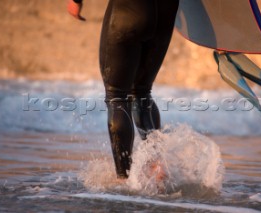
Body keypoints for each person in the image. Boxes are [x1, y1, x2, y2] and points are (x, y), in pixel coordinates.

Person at [67, 0, 179, 179]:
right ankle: (156, 165)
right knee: (142, 92)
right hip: (165, 14)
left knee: (116, 96)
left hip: (129, 10)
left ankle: (123, 180)